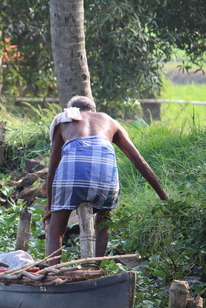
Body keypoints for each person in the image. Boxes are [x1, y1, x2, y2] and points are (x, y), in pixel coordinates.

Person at [42, 95, 168, 264]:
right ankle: (95, 269)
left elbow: (53, 167)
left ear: (72, 108)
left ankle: (54, 273)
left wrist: (50, 207)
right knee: (103, 222)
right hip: (105, 176)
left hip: (73, 172)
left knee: (56, 231)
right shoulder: (110, 121)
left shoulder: (64, 119)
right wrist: (164, 197)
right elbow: (139, 162)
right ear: (92, 111)